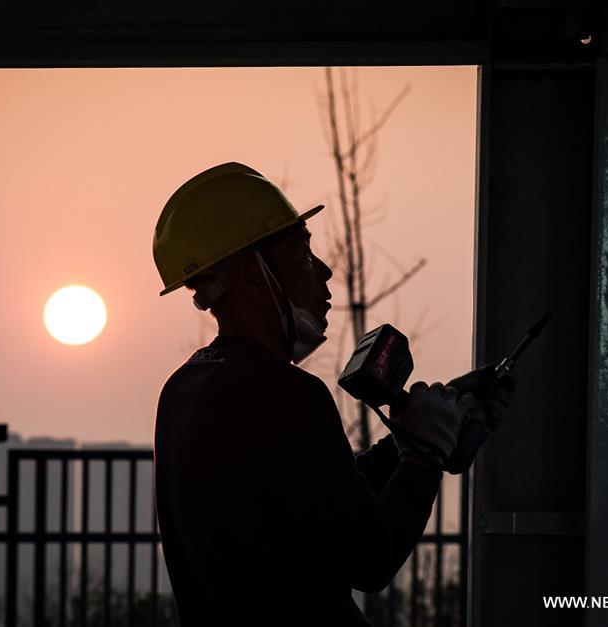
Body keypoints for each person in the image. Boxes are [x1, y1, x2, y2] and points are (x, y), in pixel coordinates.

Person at [152, 162, 512, 626]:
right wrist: (424, 454)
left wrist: (400, 444)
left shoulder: (183, 389)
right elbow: (371, 557)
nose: (323, 271)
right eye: (302, 253)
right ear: (248, 275)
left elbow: (314, 497)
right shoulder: (286, 394)